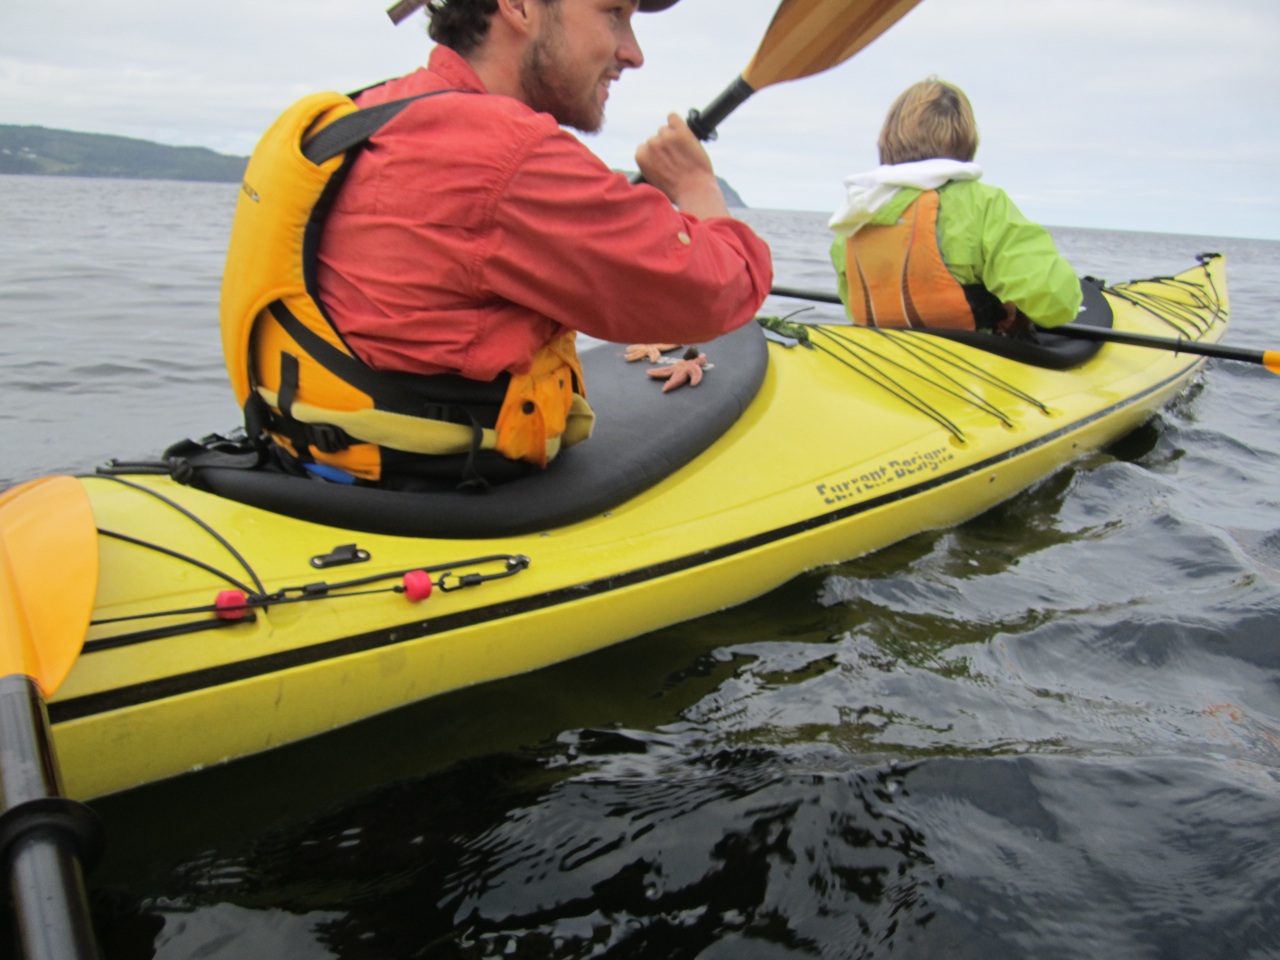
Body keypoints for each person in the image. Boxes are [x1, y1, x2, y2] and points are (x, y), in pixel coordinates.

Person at [223, 0, 772, 490]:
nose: (633, 52)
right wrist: (697, 186)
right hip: (434, 492)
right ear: (519, 7)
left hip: (313, 453)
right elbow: (721, 290)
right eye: (614, 13)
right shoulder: (508, 153)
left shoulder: (374, 110)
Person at [827, 76, 1080, 334]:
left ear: (889, 137)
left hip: (879, 360)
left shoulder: (856, 214)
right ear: (966, 137)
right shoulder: (984, 205)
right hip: (967, 365)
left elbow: (852, 304)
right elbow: (1054, 302)